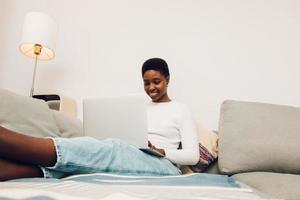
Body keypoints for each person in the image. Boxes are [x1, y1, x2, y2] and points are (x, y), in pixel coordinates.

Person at [0, 58, 199, 181]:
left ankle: (8, 140)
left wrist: (161, 151)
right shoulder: (138, 106)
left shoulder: (181, 110)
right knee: (99, 154)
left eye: (157, 82)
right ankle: (12, 170)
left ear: (168, 80)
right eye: (146, 83)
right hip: (132, 154)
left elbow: (193, 156)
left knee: (114, 149)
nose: (151, 88)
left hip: (164, 166)